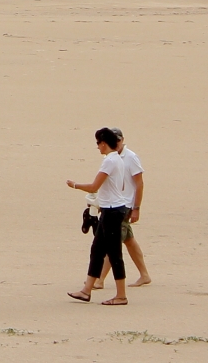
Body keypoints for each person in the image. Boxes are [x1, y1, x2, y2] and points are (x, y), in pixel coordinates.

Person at [66, 127, 133, 304]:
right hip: (113, 208)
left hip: (112, 210)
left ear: (104, 143)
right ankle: (86, 290)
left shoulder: (109, 161)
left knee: (114, 253)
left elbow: (94, 186)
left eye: (98, 143)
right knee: (97, 250)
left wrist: (75, 185)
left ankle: (121, 295)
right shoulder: (118, 159)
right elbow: (123, 186)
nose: (97, 147)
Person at [94, 129, 151, 288]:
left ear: (122, 140)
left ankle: (100, 279)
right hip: (115, 204)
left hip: (124, 206)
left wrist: (136, 208)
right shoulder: (112, 157)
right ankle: (144, 274)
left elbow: (139, 183)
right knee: (128, 240)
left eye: (118, 141)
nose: (116, 144)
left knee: (112, 241)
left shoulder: (130, 157)